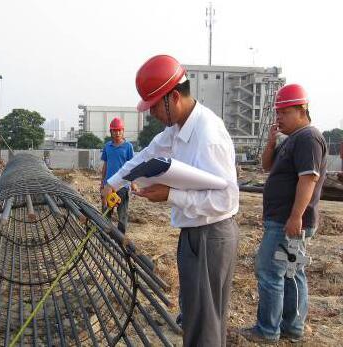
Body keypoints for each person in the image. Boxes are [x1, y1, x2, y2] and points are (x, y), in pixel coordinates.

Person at [102, 54, 239, 346]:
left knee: (206, 326)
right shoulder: (176, 129)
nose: (151, 115)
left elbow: (225, 200)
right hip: (194, 232)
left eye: (153, 108)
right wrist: (112, 183)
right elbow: (146, 156)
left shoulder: (208, 134)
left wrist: (171, 194)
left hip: (211, 235)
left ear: (173, 97)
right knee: (194, 316)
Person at [240, 84, 327, 343]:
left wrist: (295, 216)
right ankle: (292, 326)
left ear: (302, 110)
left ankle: (267, 330)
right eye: (277, 112)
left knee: (269, 272)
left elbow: (308, 180)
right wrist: (270, 144)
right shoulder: (292, 139)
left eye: (284, 112)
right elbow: (267, 167)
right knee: (290, 273)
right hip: (283, 221)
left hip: (287, 222)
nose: (278, 118)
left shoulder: (308, 138)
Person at [100, 117, 134, 233]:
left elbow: (132, 166)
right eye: (115, 130)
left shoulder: (128, 147)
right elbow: (105, 165)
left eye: (119, 130)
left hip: (122, 187)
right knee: (106, 213)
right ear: (111, 132)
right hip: (108, 186)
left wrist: (133, 183)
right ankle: (105, 238)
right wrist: (102, 183)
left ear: (123, 131)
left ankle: (120, 241)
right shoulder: (107, 147)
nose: (117, 133)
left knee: (122, 216)